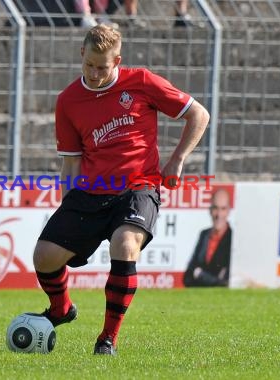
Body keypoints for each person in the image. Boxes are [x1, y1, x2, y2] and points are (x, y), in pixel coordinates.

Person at [33, 25, 210, 355]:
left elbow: (198, 114)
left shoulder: (141, 82)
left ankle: (107, 339)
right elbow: (71, 163)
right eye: (89, 65)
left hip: (138, 188)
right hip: (90, 192)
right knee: (44, 256)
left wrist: (177, 160)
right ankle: (61, 309)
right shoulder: (68, 100)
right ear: (81, 55)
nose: (95, 73)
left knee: (125, 243)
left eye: (103, 67)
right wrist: (65, 207)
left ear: (118, 60)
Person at [183, 189, 232, 287]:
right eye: (215, 208)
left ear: (228, 211)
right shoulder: (204, 235)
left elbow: (225, 283)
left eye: (223, 209)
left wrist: (200, 275)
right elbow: (188, 275)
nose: (219, 214)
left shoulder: (233, 238)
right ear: (210, 210)